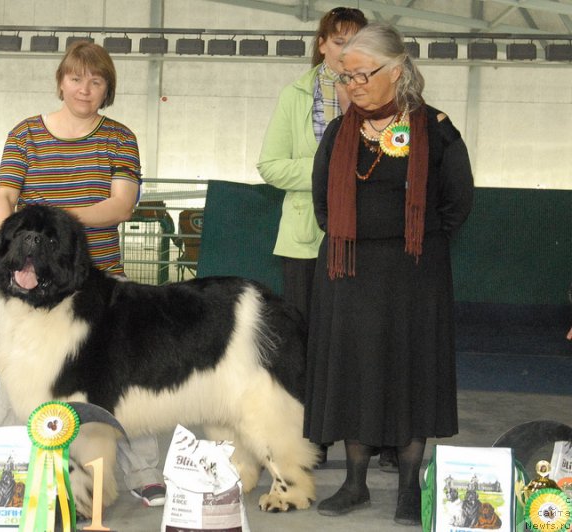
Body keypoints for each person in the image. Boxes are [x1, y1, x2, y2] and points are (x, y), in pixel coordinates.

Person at [304, 23, 474, 526]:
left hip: (414, 275)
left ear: (396, 71)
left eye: (361, 74)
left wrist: (411, 241)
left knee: (410, 373)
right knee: (352, 373)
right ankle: (354, 484)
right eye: (345, 75)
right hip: (347, 272)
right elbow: (321, 202)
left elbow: (457, 202)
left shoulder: (436, 128)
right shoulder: (339, 132)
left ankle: (407, 489)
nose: (352, 84)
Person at [0, 40, 166, 507]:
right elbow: (5, 194)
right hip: (26, 285)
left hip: (99, 282)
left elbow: (121, 204)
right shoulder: (26, 133)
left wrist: (55, 230)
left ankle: (143, 470)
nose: (84, 88)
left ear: (107, 88)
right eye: (76, 78)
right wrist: (12, 232)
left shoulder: (119, 137)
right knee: (17, 377)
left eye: (96, 80)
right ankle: (5, 469)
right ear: (60, 81)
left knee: (123, 381)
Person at [256, 7, 402, 471]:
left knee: (372, 342)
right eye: (338, 42)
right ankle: (310, 444)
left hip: (371, 241)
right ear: (321, 45)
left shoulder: (392, 98)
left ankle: (384, 439)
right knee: (305, 348)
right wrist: (329, 173)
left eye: (357, 42)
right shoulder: (295, 95)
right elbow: (271, 165)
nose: (346, 51)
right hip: (305, 241)